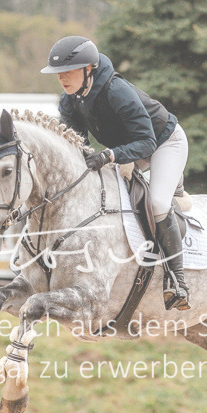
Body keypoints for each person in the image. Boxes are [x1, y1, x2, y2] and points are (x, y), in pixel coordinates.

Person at [40, 36, 190, 311]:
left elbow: (147, 142)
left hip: (163, 142)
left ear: (89, 69)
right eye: (58, 73)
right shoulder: (70, 100)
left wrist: (110, 155)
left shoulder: (115, 90)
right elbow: (77, 144)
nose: (62, 78)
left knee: (157, 202)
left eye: (68, 71)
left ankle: (177, 281)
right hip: (128, 148)